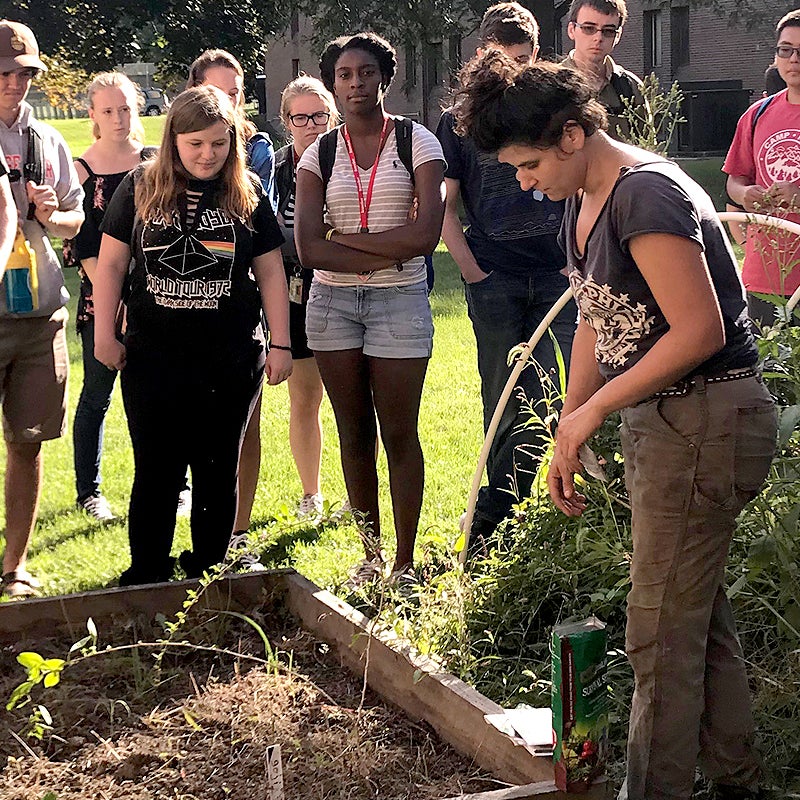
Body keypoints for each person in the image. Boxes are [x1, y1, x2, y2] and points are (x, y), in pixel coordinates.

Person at [453, 53, 777, 800]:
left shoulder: (646, 196)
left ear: (573, 134)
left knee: (657, 632)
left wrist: (596, 410)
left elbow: (696, 331)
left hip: (708, 417)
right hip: (669, 425)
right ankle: (740, 782)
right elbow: (598, 322)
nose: (525, 182)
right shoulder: (583, 200)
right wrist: (571, 425)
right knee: (696, 622)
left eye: (530, 163)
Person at [93, 85, 291, 586]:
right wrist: (103, 335)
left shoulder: (246, 192)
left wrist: (282, 343)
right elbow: (113, 264)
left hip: (228, 358)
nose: (207, 155)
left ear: (233, 143)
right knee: (155, 467)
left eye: (219, 144)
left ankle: (208, 567)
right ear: (173, 140)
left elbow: (271, 272)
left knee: (217, 469)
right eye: (195, 143)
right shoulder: (139, 186)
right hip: (151, 357)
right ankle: (148, 570)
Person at [295, 32, 445, 584]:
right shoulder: (320, 153)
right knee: (352, 430)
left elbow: (427, 236)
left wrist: (349, 239)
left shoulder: (417, 142)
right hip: (332, 303)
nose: (355, 83)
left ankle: (405, 563)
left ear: (385, 76)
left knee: (399, 431)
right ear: (334, 83)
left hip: (398, 302)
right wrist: (388, 242)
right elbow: (310, 248)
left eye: (365, 72)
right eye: (344, 74)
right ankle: (370, 554)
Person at [436, 2, 576, 549]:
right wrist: (471, 270)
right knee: (503, 395)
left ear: (537, 55)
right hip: (493, 274)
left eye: (524, 58)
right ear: (482, 54)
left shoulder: (548, 107)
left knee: (568, 388)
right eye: (502, 57)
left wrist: (573, 263)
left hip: (557, 273)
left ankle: (566, 505)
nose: (514, 69)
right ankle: (504, 511)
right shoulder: (460, 120)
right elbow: (446, 201)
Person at [0, 20, 84, 598]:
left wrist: (51, 216)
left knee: (27, 442)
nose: (13, 84)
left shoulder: (48, 141)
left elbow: (77, 220)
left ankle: (14, 566)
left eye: (24, 73)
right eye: (3, 73)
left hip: (39, 314)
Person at [186, 48, 277, 532]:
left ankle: (237, 531)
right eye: (215, 91)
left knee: (244, 427)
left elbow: (268, 261)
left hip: (238, 325)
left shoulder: (253, 168)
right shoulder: (162, 169)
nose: (227, 101)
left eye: (235, 93)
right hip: (175, 328)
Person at [63, 72, 156, 523]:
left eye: (125, 109)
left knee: (159, 395)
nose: (118, 118)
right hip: (99, 301)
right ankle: (89, 491)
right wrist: (113, 300)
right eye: (107, 110)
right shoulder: (81, 171)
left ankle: (173, 484)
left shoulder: (155, 163)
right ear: (92, 115)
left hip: (156, 299)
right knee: (96, 395)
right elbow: (82, 247)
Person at [276, 76, 339, 517]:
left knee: (354, 400)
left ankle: (360, 497)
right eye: (301, 117)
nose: (312, 125)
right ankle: (310, 494)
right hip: (294, 290)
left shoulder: (350, 161)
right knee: (305, 397)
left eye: (319, 115)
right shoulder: (274, 168)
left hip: (345, 285)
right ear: (286, 122)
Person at [724, 9, 800, 328]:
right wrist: (745, 194)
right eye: (786, 50)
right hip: (763, 277)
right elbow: (734, 179)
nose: (794, 59)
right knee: (767, 374)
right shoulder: (757, 114)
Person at [561, 0, 649, 141]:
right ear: (571, 30)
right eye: (589, 28)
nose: (598, 38)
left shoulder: (630, 87)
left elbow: (647, 147)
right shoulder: (552, 83)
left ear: (618, 36)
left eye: (608, 31)